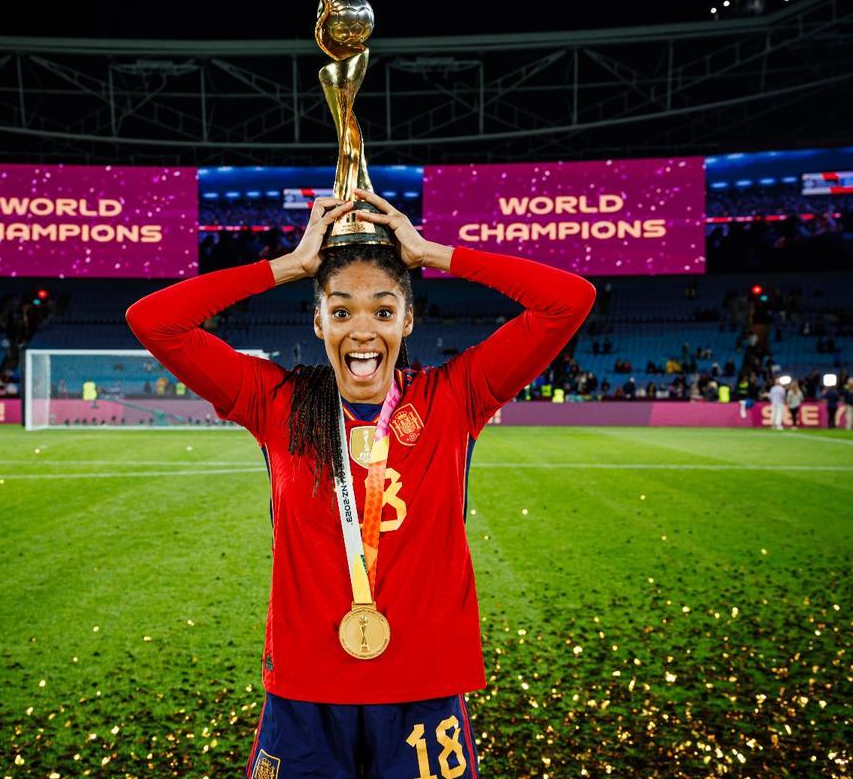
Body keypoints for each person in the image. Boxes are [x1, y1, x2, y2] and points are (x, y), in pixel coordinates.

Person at [125, 188, 596, 779]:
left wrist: (434, 253)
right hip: (306, 689)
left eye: (383, 309)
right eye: (342, 310)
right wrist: (289, 265)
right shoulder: (280, 403)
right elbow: (153, 321)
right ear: (318, 319)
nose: (363, 331)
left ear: (408, 318)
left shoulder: (453, 397)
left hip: (423, 687)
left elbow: (569, 301)